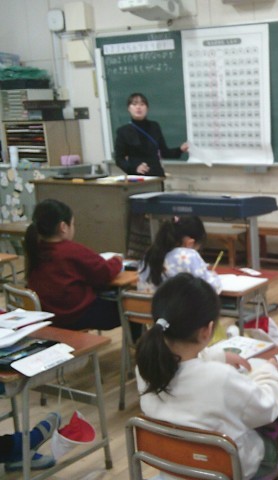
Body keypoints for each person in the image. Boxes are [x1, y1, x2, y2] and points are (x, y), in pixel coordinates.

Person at [135, 273, 278, 479]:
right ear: (207, 331)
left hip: (173, 465)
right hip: (226, 469)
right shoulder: (220, 378)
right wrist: (269, 372)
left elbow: (186, 367)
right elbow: (265, 410)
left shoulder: (146, 367)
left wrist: (218, 356)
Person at [24, 199, 123, 331]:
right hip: (75, 315)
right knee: (131, 307)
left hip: (50, 316)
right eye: (73, 223)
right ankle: (138, 343)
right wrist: (117, 260)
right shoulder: (71, 250)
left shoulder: (35, 249)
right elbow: (105, 272)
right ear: (63, 227)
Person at [137, 215, 222, 294]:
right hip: (182, 305)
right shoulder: (189, 256)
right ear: (190, 243)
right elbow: (211, 289)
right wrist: (213, 276)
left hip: (151, 305)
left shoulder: (149, 254)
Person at [114, 92, 188, 177]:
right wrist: (134, 168)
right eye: (134, 104)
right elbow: (119, 159)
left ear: (147, 108)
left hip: (156, 175)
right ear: (129, 108)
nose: (138, 107)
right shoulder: (123, 131)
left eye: (142, 104)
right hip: (138, 177)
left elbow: (164, 152)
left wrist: (180, 150)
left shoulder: (154, 126)